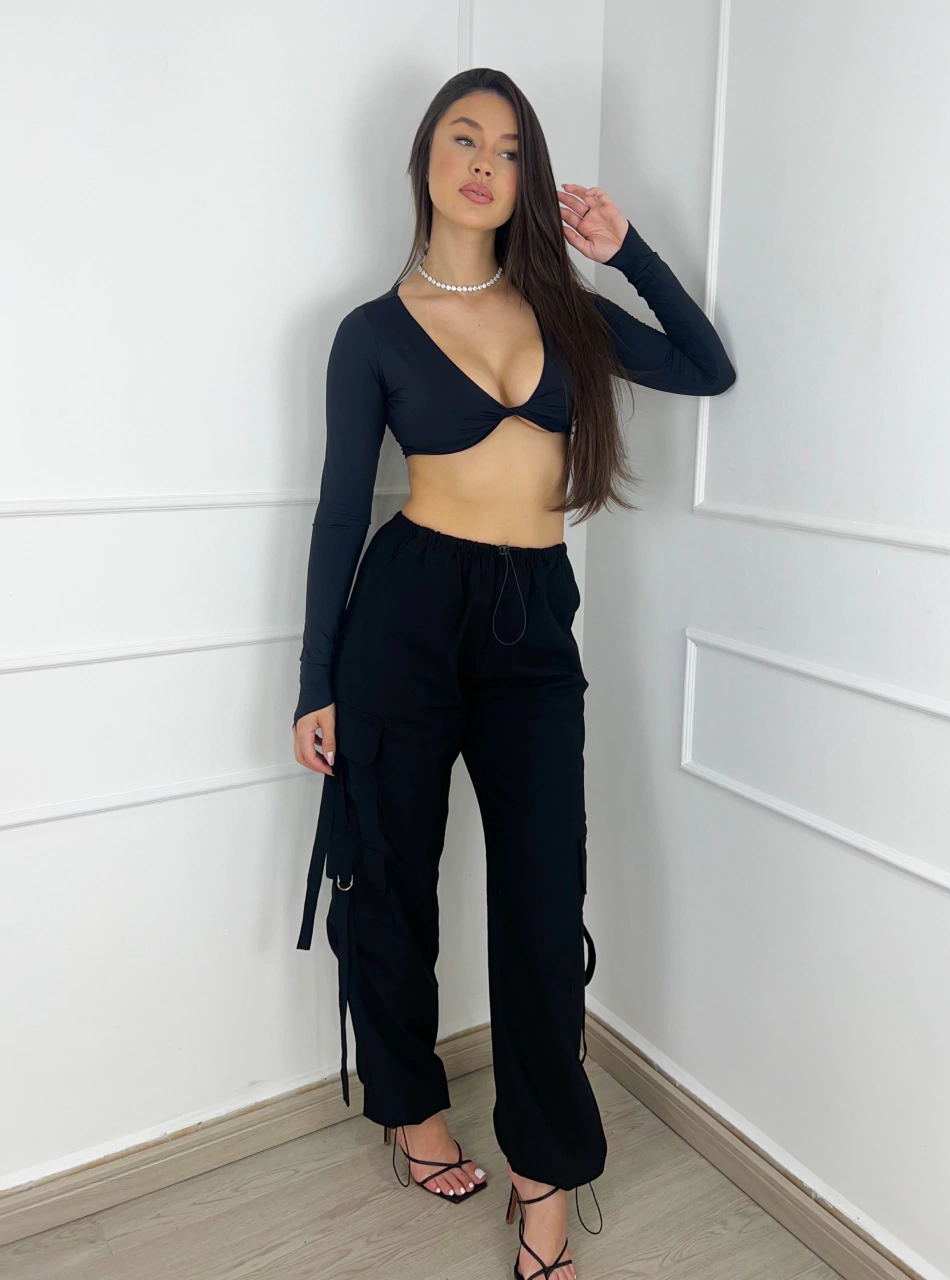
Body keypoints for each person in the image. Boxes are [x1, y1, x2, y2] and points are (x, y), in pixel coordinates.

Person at [292, 66, 735, 1280]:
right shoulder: (371, 331)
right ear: (426, 160)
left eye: (509, 149)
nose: (485, 163)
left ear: (527, 178)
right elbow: (338, 512)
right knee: (390, 874)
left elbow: (705, 368)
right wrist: (314, 680)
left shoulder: (564, 311)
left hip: (533, 620)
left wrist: (626, 251)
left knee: (543, 900)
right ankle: (408, 1103)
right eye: (464, 138)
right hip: (404, 612)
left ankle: (546, 1172)